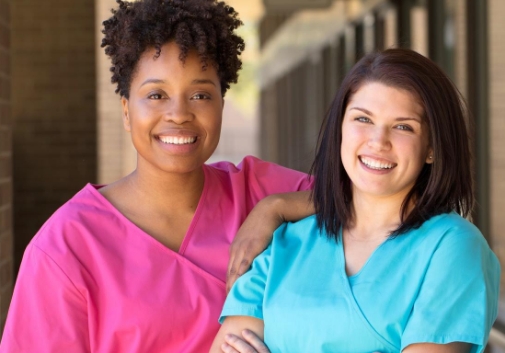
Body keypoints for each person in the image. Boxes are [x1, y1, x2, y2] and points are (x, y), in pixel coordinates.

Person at [0, 0, 314, 351]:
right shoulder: (67, 247)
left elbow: (371, 200)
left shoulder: (258, 191)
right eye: (156, 95)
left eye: (200, 94)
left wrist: (274, 208)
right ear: (126, 111)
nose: (178, 114)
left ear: (221, 106)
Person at [211, 48, 501, 353]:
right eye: (363, 118)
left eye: (403, 126)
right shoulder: (284, 246)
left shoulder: (451, 248)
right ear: (340, 129)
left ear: (432, 147)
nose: (378, 141)